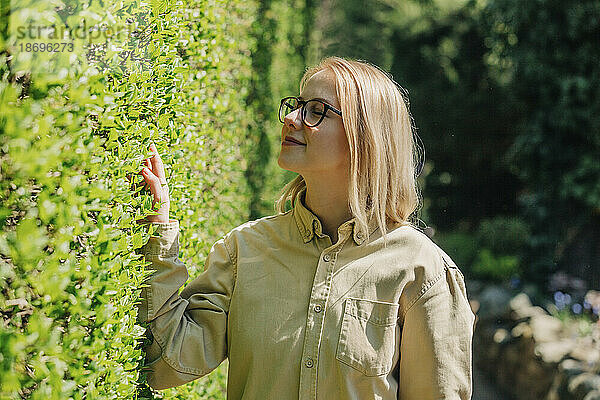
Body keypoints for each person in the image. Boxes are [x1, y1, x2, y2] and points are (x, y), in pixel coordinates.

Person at [135, 56, 476, 399]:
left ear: (366, 135)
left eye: (316, 110)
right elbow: (166, 362)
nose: (291, 119)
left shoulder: (422, 271)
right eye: (296, 106)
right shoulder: (244, 250)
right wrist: (159, 231)